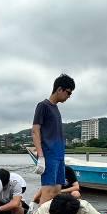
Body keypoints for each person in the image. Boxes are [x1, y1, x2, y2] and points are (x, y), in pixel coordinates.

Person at [32, 74, 75, 206]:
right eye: (68, 92)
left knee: (57, 191)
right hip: (49, 155)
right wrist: (41, 157)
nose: (69, 96)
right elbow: (35, 130)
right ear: (59, 89)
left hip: (59, 155)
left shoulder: (56, 109)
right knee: (47, 192)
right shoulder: (43, 106)